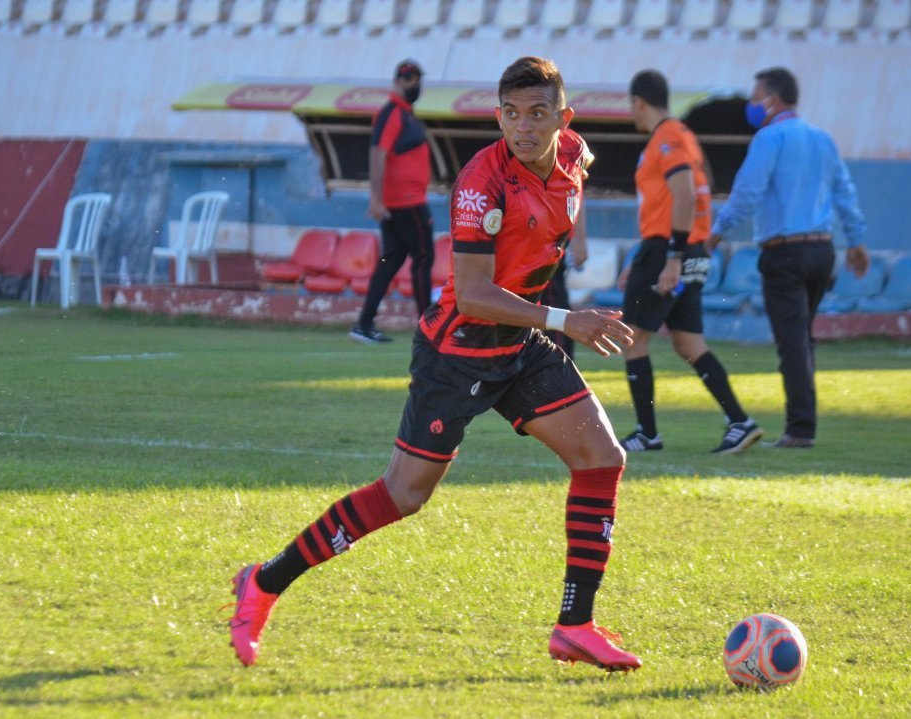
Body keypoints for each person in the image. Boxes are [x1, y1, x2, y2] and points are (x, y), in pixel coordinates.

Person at [227, 56, 643, 673]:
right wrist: (565, 320)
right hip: (459, 350)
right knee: (402, 496)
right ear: (498, 115)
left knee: (602, 457)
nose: (522, 126)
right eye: (510, 113)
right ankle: (263, 583)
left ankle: (574, 626)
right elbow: (473, 293)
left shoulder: (574, 154)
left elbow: (575, 171)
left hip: (518, 343)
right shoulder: (482, 183)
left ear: (563, 117)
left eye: (536, 113)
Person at [708, 67, 869, 449]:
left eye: (754, 97)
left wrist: (717, 231)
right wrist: (857, 241)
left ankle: (800, 429)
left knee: (792, 341)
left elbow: (747, 193)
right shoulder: (822, 139)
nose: (750, 105)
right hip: (822, 250)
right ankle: (802, 423)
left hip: (785, 251)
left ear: (772, 99)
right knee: (803, 338)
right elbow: (844, 193)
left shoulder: (769, 138)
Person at [618, 70, 763, 455]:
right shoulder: (684, 138)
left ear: (639, 102)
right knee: (688, 343)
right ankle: (739, 421)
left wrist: (670, 257)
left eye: (632, 105)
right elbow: (678, 202)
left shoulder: (666, 139)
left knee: (632, 339)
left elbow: (683, 197)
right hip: (683, 249)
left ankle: (647, 433)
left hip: (672, 250)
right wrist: (644, 256)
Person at [350, 59, 435, 345]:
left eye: (417, 79)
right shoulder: (392, 113)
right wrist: (375, 198)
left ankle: (364, 324)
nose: (415, 85)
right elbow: (377, 155)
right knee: (423, 258)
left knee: (391, 261)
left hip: (401, 203)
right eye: (410, 79)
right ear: (397, 81)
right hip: (407, 205)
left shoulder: (405, 114)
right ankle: (429, 327)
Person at [540, 206, 588, 358]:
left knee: (552, 304)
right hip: (524, 238)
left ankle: (561, 367)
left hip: (545, 241)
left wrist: (579, 239)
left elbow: (574, 188)